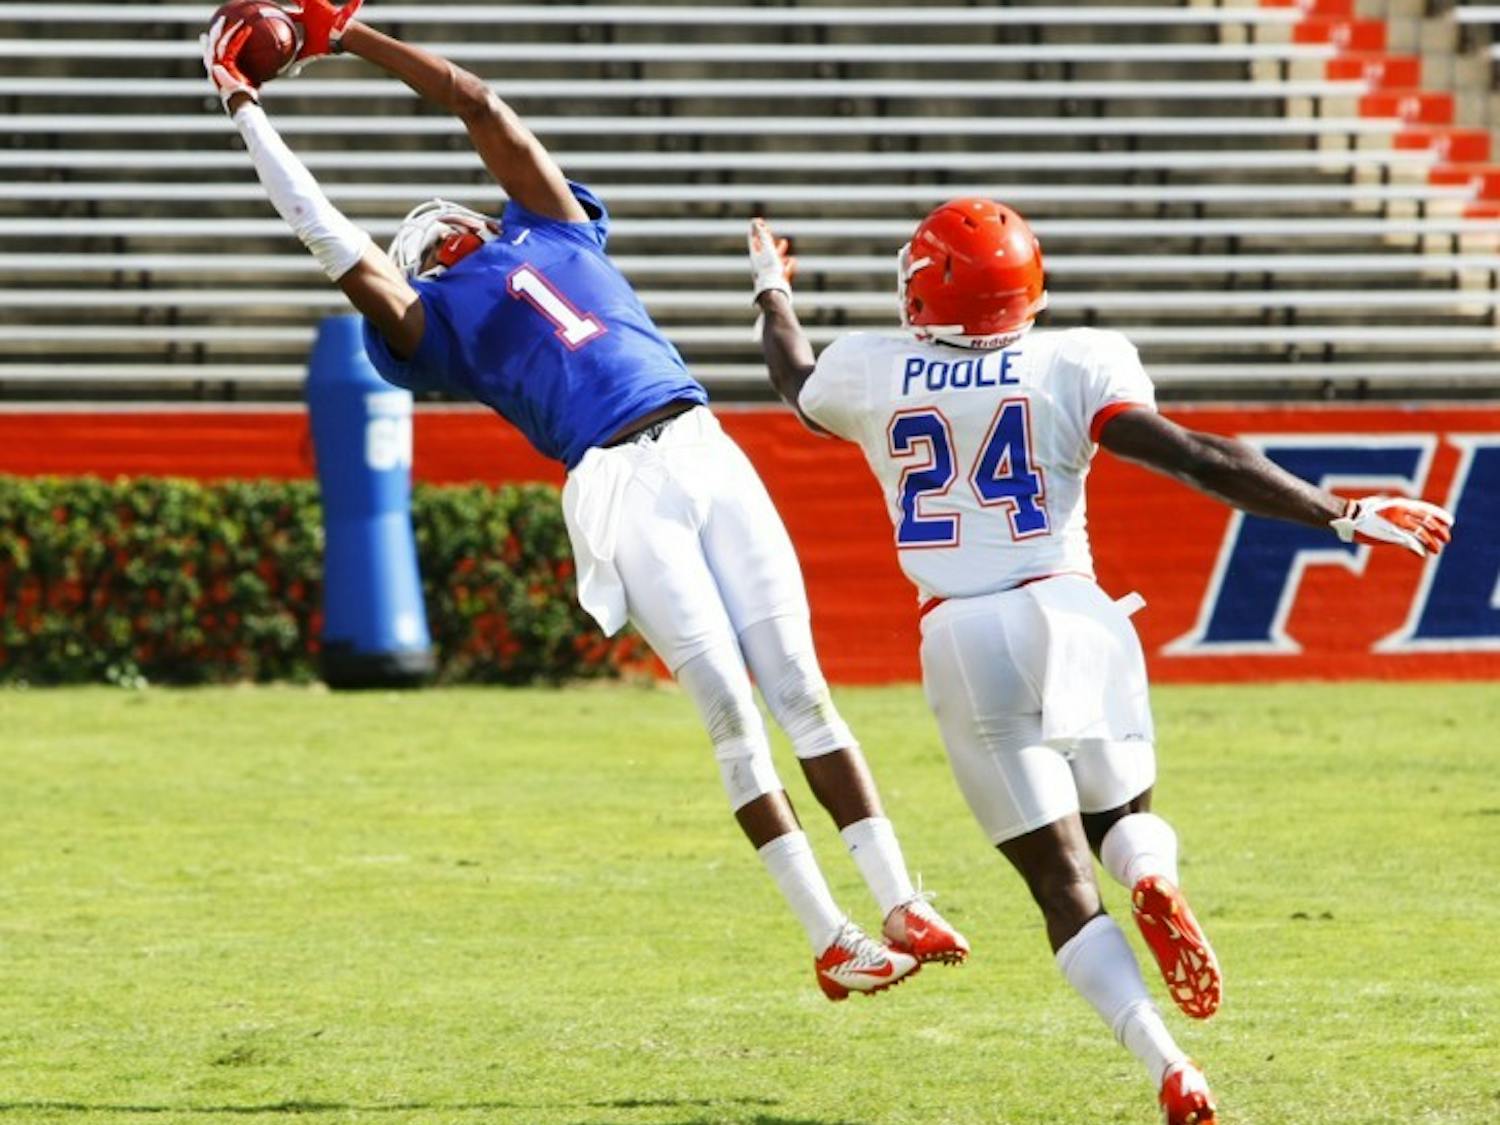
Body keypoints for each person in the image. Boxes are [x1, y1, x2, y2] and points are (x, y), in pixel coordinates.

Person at [201, 2, 971, 1000]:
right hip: (615, 481)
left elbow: (478, 104)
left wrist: (349, 35)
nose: (436, 228)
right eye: (420, 240)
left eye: (442, 218)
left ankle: (900, 895)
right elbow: (326, 234)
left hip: (699, 439)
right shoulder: (434, 326)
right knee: (732, 710)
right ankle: (830, 936)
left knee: (801, 686)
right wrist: (246, 110)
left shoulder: (556, 228)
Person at [746, 201, 1453, 1121]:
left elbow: (793, 377)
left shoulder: (872, 367)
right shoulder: (1076, 358)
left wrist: (771, 289)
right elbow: (1199, 458)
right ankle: (1153, 872)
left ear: (927, 287)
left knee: (1061, 885)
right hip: (1075, 610)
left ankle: (1170, 1064)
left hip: (963, 631)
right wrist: (1343, 514)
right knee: (1123, 821)